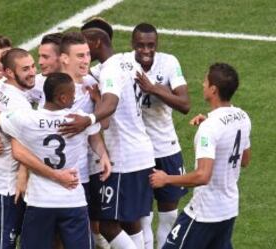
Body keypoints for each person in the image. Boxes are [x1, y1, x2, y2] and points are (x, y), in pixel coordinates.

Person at [0, 72, 111, 249]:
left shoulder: (26, 119)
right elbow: (97, 132)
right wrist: (103, 155)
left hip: (40, 201)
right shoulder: (79, 119)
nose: (74, 97)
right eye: (72, 94)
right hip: (72, 199)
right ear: (62, 98)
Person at [63, 19, 155, 249]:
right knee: (130, 220)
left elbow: (111, 103)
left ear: (96, 43)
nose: (84, 54)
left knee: (106, 225)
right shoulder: (126, 62)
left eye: (85, 47)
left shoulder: (110, 70)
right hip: (142, 152)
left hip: (124, 157)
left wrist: (88, 118)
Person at [150, 63, 251, 249]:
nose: (202, 84)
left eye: (205, 81)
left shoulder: (210, 128)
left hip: (204, 213)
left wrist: (166, 179)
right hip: (228, 210)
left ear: (213, 89)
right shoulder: (242, 117)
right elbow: (244, 160)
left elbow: (203, 176)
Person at [123, 23, 190, 249]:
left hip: (166, 148)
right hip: (137, 152)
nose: (146, 50)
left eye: (151, 45)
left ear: (157, 44)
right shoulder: (124, 64)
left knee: (169, 216)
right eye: (141, 45)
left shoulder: (169, 62)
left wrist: (154, 88)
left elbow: (185, 104)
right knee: (143, 217)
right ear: (133, 44)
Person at [0, 48, 36, 249]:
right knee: (1, 245)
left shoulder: (0, 86)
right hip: (4, 185)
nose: (32, 72)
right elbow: (22, 147)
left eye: (33, 66)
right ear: (10, 72)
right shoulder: (19, 105)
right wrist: (23, 172)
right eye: (25, 69)